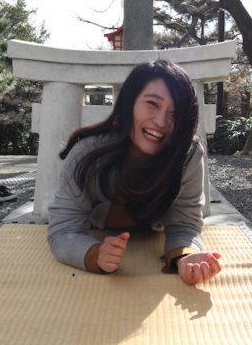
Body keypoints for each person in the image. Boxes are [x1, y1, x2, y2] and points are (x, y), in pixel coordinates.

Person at [47, 60, 222, 285]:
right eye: (152, 103)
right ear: (129, 103)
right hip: (97, 230)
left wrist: (186, 256)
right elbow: (62, 231)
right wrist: (94, 254)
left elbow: (185, 223)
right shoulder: (86, 154)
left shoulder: (188, 155)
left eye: (175, 113)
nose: (161, 122)